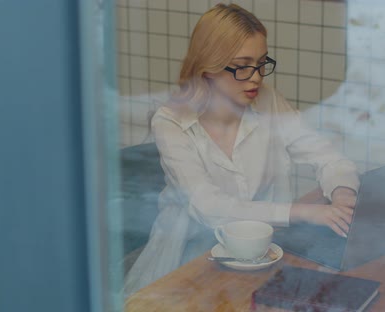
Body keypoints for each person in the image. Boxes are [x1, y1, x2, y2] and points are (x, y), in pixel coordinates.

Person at [124, 3, 360, 296]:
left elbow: (328, 158)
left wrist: (343, 196)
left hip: (264, 253)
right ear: (209, 67)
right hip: (191, 257)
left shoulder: (268, 101)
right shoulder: (171, 122)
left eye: (262, 63)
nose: (257, 77)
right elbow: (209, 207)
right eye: (243, 65)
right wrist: (302, 212)